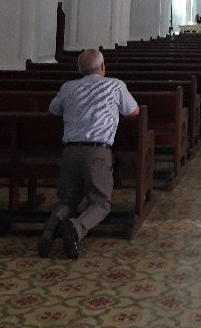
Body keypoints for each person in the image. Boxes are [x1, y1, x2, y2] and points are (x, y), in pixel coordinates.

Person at [37, 49, 139, 259]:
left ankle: (50, 227)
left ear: (79, 69)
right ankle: (75, 228)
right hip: (97, 152)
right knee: (101, 202)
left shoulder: (68, 87)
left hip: (70, 151)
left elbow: (53, 109)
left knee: (67, 200)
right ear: (103, 67)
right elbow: (133, 111)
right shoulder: (115, 85)